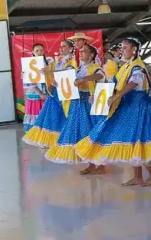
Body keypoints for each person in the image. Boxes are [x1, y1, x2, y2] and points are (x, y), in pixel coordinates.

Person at [75, 38, 151, 186]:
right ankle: (141, 176)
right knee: (133, 142)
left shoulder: (137, 67)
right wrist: (96, 95)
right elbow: (111, 82)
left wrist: (117, 95)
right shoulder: (125, 67)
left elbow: (134, 82)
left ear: (134, 50)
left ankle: (149, 175)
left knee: (138, 141)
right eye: (121, 48)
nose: (122, 50)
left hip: (139, 107)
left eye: (125, 48)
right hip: (128, 106)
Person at [45, 44, 106, 174]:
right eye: (80, 51)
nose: (81, 53)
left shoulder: (95, 68)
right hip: (78, 105)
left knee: (92, 133)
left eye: (84, 51)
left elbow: (100, 76)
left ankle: (99, 164)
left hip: (90, 104)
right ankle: (92, 163)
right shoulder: (78, 69)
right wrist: (58, 84)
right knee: (83, 133)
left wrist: (84, 79)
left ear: (91, 55)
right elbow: (69, 85)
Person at [23, 40, 77, 148]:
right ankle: (53, 140)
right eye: (60, 46)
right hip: (51, 91)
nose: (61, 48)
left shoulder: (70, 60)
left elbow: (69, 73)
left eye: (63, 46)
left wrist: (51, 74)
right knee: (51, 115)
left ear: (70, 48)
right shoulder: (57, 61)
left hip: (63, 92)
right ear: (33, 52)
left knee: (62, 114)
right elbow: (43, 74)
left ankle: (64, 139)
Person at [23, 43, 49, 132]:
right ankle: (36, 135)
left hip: (46, 91)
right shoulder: (29, 63)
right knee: (37, 114)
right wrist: (40, 93)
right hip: (35, 93)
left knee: (45, 114)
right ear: (33, 52)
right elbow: (28, 81)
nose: (39, 52)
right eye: (37, 51)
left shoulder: (48, 62)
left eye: (41, 50)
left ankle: (44, 135)